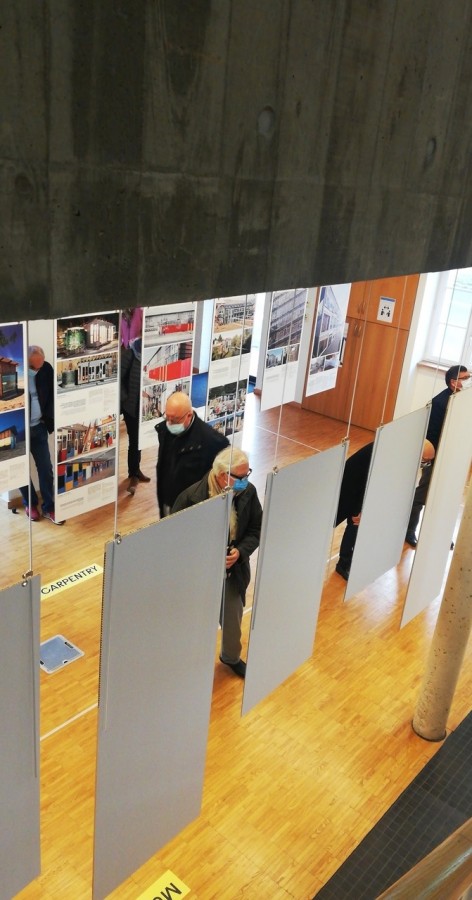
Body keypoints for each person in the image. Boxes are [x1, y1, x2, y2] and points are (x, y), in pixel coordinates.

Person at [172, 447, 262, 678]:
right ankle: (189, 664)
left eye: (248, 474)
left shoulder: (248, 493)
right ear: (223, 476)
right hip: (200, 577)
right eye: (241, 477)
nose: (246, 481)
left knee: (233, 619)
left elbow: (256, 529)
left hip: (233, 573)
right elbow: (175, 545)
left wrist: (240, 553)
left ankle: (230, 657)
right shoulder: (189, 499)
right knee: (196, 624)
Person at [335, 438, 435, 580]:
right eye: (425, 461)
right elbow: (367, 482)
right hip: (351, 487)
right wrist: (362, 509)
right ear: (418, 453)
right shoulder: (388, 455)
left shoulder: (401, 450)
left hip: (361, 485)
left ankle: (350, 558)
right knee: (356, 522)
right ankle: (343, 564)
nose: (426, 465)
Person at [405, 364, 470, 547]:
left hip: (451, 457)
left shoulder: (461, 399)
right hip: (436, 457)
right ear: (453, 382)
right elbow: (432, 434)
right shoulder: (440, 403)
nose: (468, 381)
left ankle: (439, 535)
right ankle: (409, 531)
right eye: (465, 378)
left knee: (443, 496)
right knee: (423, 494)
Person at [155, 390, 229, 517]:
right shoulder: (165, 430)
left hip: (191, 509)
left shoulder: (210, 440)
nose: (170, 423)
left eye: (175, 419)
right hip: (168, 503)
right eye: (168, 418)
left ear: (189, 415)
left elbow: (221, 477)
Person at [20, 345, 65, 525]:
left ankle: (50, 507)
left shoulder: (46, 369)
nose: (37, 370)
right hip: (21, 431)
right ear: (27, 363)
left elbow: (53, 395)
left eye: (40, 366)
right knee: (21, 471)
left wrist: (48, 420)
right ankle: (30, 504)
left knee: (46, 469)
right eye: (34, 368)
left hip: (39, 427)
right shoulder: (18, 371)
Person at [120, 337, 151, 495]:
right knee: (134, 440)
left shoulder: (149, 352)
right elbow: (119, 379)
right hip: (131, 407)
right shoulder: (129, 355)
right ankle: (133, 474)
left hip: (144, 407)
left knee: (140, 440)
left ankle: (136, 470)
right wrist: (126, 397)